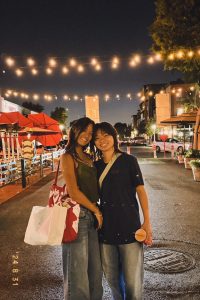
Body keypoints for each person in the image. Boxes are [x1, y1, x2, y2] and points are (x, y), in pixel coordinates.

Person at [93, 122, 153, 300]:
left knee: (133, 282)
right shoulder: (94, 167)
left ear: (113, 136)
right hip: (106, 230)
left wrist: (147, 222)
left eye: (105, 135)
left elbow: (141, 191)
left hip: (130, 227)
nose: (102, 140)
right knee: (112, 280)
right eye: (97, 138)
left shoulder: (129, 161)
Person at [60, 117, 103, 300]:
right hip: (77, 217)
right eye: (83, 131)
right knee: (77, 275)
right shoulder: (67, 157)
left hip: (91, 218)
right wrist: (96, 210)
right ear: (75, 130)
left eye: (90, 133)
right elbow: (74, 192)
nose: (86, 136)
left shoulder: (89, 157)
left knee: (95, 272)